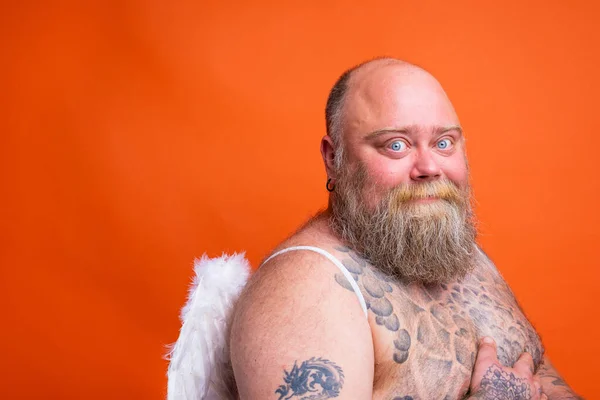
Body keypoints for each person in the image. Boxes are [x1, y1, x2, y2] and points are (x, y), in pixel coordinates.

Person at [229, 58, 580, 399]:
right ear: (332, 159)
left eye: (444, 143)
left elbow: (538, 374)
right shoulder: (304, 294)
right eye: (396, 145)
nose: (429, 167)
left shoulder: (455, 253)